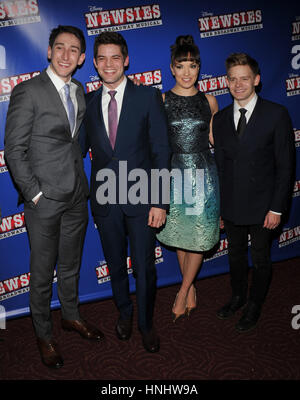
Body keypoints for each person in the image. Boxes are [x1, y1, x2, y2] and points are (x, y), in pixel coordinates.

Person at [4, 25, 104, 369]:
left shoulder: (78, 88)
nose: (65, 55)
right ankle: (44, 334)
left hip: (77, 195)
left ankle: (71, 316)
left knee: (72, 264)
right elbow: (13, 150)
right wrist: (34, 195)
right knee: (43, 272)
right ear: (49, 51)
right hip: (43, 201)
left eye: (73, 50)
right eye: (59, 48)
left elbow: (75, 141)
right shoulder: (27, 91)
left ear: (81, 58)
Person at [79, 32, 170, 353]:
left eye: (115, 57)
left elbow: (161, 150)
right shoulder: (87, 102)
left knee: (144, 266)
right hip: (105, 200)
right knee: (115, 264)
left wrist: (160, 200)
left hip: (143, 199)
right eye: (101, 58)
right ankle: (125, 313)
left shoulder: (148, 97)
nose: (108, 64)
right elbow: (77, 152)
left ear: (126, 60)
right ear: (94, 62)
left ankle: (146, 323)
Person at [213, 53, 294, 332]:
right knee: (235, 255)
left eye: (244, 78)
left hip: (264, 207)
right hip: (233, 205)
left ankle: (255, 304)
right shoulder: (220, 119)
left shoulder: (276, 114)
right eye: (233, 79)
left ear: (256, 80)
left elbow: (285, 166)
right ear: (227, 82)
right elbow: (220, 168)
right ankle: (238, 297)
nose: (238, 84)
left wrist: (277, 208)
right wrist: (220, 209)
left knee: (260, 258)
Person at [156, 35, 220, 322]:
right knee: (181, 234)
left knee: (197, 236)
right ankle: (191, 286)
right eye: (180, 66)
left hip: (203, 176)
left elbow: (214, 140)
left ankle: (182, 293)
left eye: (192, 66)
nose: (186, 72)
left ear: (199, 69)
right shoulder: (162, 100)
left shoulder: (209, 101)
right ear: (171, 68)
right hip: (174, 175)